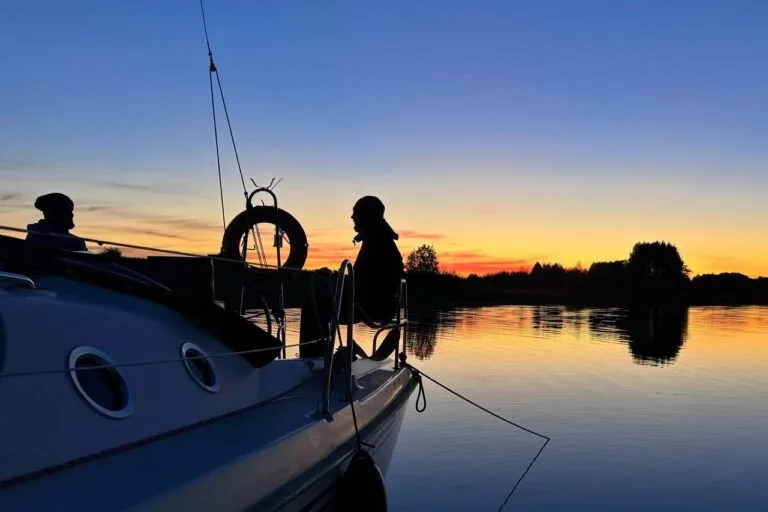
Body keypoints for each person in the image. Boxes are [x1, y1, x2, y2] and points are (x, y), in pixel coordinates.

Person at [299, 196, 404, 358]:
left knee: (314, 299)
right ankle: (318, 355)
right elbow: (365, 280)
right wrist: (335, 276)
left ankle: (313, 359)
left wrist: (335, 278)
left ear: (367, 216)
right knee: (320, 290)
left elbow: (365, 284)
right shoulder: (379, 239)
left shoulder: (378, 243)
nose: (352, 217)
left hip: (370, 306)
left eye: (356, 212)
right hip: (373, 303)